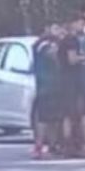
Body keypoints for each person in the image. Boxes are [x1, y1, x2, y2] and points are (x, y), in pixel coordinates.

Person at [61, 9, 85, 158]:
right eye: (80, 23)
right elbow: (72, 59)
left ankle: (69, 146)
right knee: (80, 113)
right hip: (73, 80)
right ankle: (81, 145)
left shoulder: (65, 40)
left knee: (70, 114)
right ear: (73, 23)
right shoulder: (71, 40)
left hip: (67, 80)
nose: (82, 26)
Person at [33, 22, 67, 159]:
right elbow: (55, 57)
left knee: (54, 119)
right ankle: (39, 146)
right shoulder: (45, 46)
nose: (59, 31)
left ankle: (52, 146)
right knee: (44, 119)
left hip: (54, 86)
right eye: (55, 28)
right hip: (47, 86)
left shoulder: (44, 44)